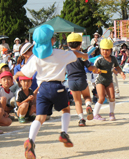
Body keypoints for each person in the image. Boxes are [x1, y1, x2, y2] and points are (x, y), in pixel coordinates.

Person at [13, 24, 88, 159]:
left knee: (40, 117)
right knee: (65, 109)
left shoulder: (35, 57)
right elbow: (74, 54)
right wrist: (83, 55)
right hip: (57, 87)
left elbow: (25, 72)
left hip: (42, 89)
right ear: (52, 41)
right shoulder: (59, 53)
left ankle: (30, 140)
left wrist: (16, 75)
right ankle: (64, 133)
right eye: (53, 37)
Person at [66, 33, 100, 126]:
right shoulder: (82, 55)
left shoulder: (65, 55)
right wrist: (95, 69)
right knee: (87, 97)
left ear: (68, 44)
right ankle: (88, 106)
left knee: (77, 101)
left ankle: (81, 119)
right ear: (80, 44)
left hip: (71, 81)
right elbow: (89, 68)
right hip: (81, 79)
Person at [93, 39, 125, 121]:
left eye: (107, 50)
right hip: (100, 81)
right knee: (102, 97)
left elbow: (117, 67)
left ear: (111, 50)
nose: (105, 52)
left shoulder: (113, 59)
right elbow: (93, 69)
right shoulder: (99, 60)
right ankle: (95, 114)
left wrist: (121, 73)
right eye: (103, 50)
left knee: (112, 96)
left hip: (109, 80)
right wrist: (97, 70)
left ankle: (111, 113)